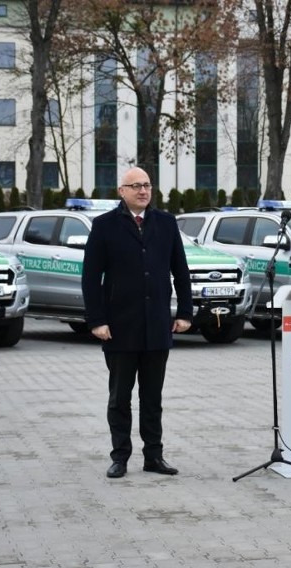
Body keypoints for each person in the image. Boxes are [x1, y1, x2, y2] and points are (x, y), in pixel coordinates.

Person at [82, 167, 193, 479]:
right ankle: (120, 456)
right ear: (122, 191)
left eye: (147, 185)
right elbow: (91, 278)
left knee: (152, 398)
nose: (143, 191)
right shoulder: (104, 226)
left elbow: (181, 271)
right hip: (119, 327)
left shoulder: (167, 223)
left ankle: (153, 457)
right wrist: (97, 321)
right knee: (119, 397)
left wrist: (185, 312)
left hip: (157, 325)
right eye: (136, 186)